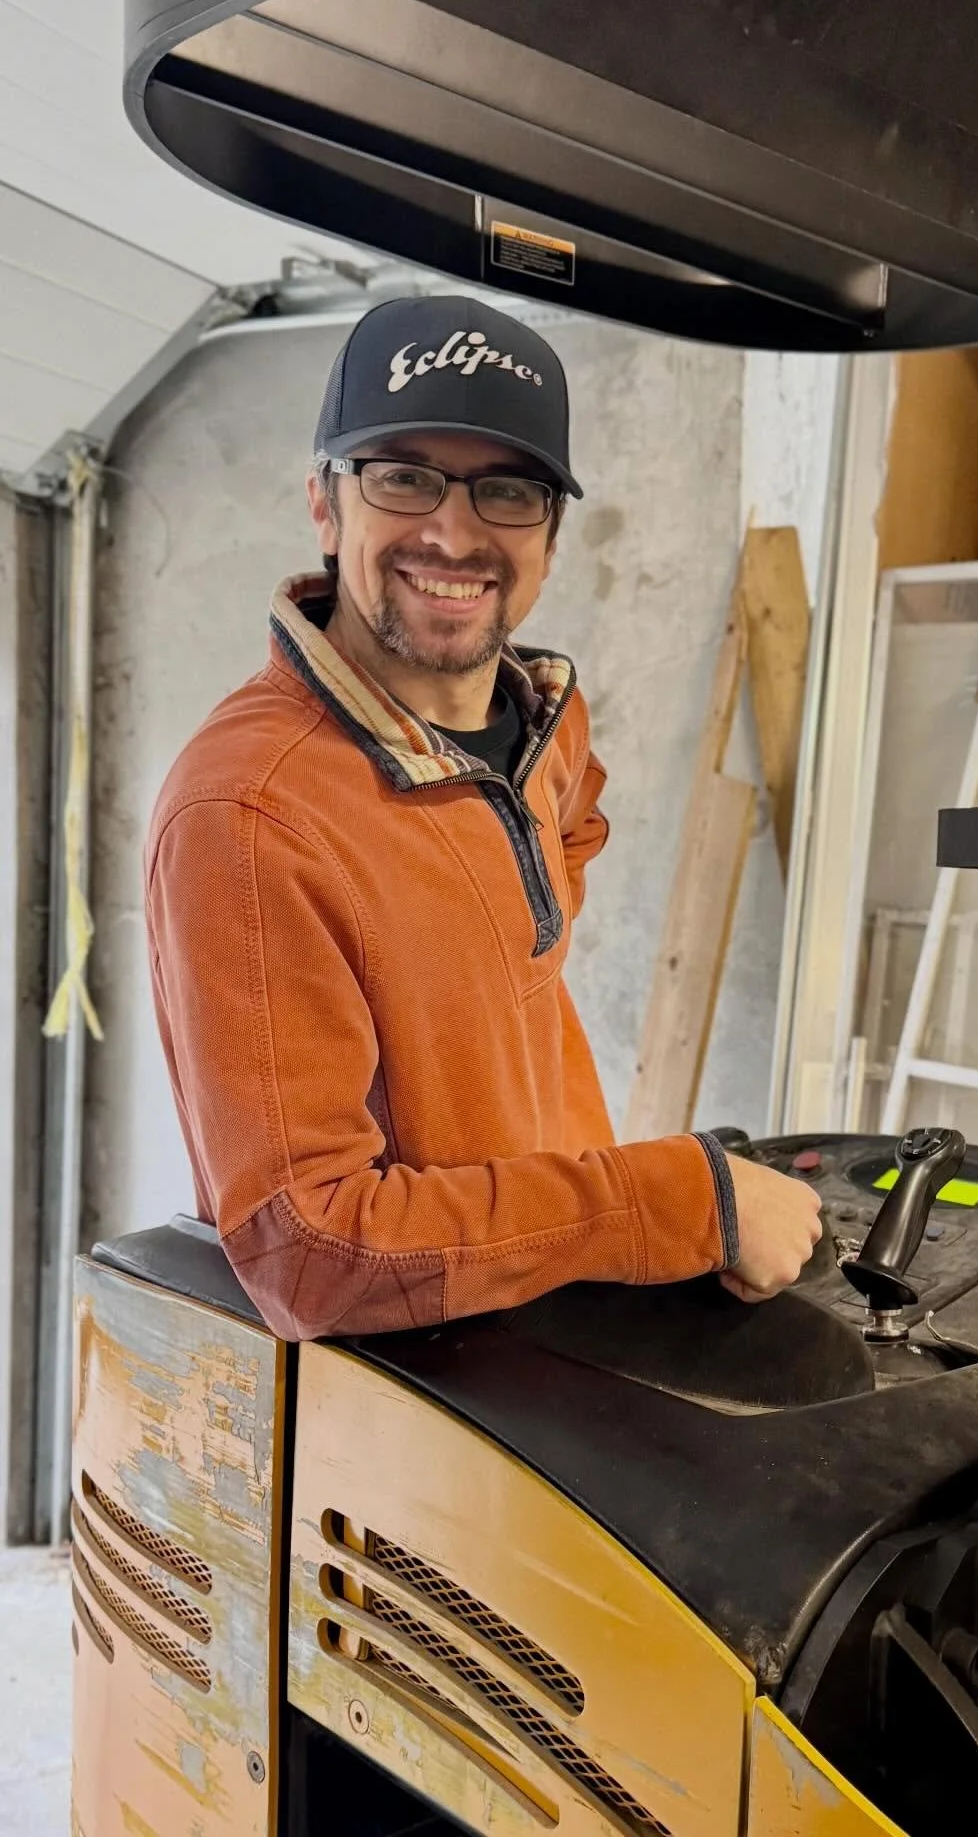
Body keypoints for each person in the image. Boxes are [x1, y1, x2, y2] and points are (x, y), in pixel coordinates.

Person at [145, 295, 820, 1339]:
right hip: (410, 1411)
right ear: (325, 505)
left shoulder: (541, 715)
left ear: (550, 529)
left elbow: (566, 830)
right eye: (405, 477)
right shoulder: (250, 815)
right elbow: (308, 1251)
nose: (454, 534)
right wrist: (677, 1201)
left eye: (506, 491)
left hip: (544, 1325)